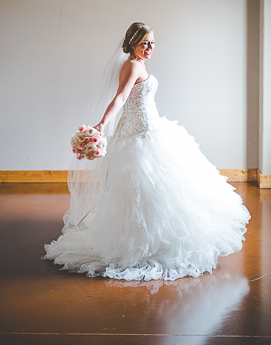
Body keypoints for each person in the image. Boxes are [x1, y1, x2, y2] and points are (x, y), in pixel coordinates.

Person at [44, 22, 250, 281]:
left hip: (152, 128)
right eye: (144, 43)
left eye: (152, 42)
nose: (150, 47)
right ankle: (142, 245)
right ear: (132, 44)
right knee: (144, 191)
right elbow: (120, 97)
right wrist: (101, 125)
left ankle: (159, 241)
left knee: (165, 188)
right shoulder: (131, 65)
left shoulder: (139, 64)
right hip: (138, 136)